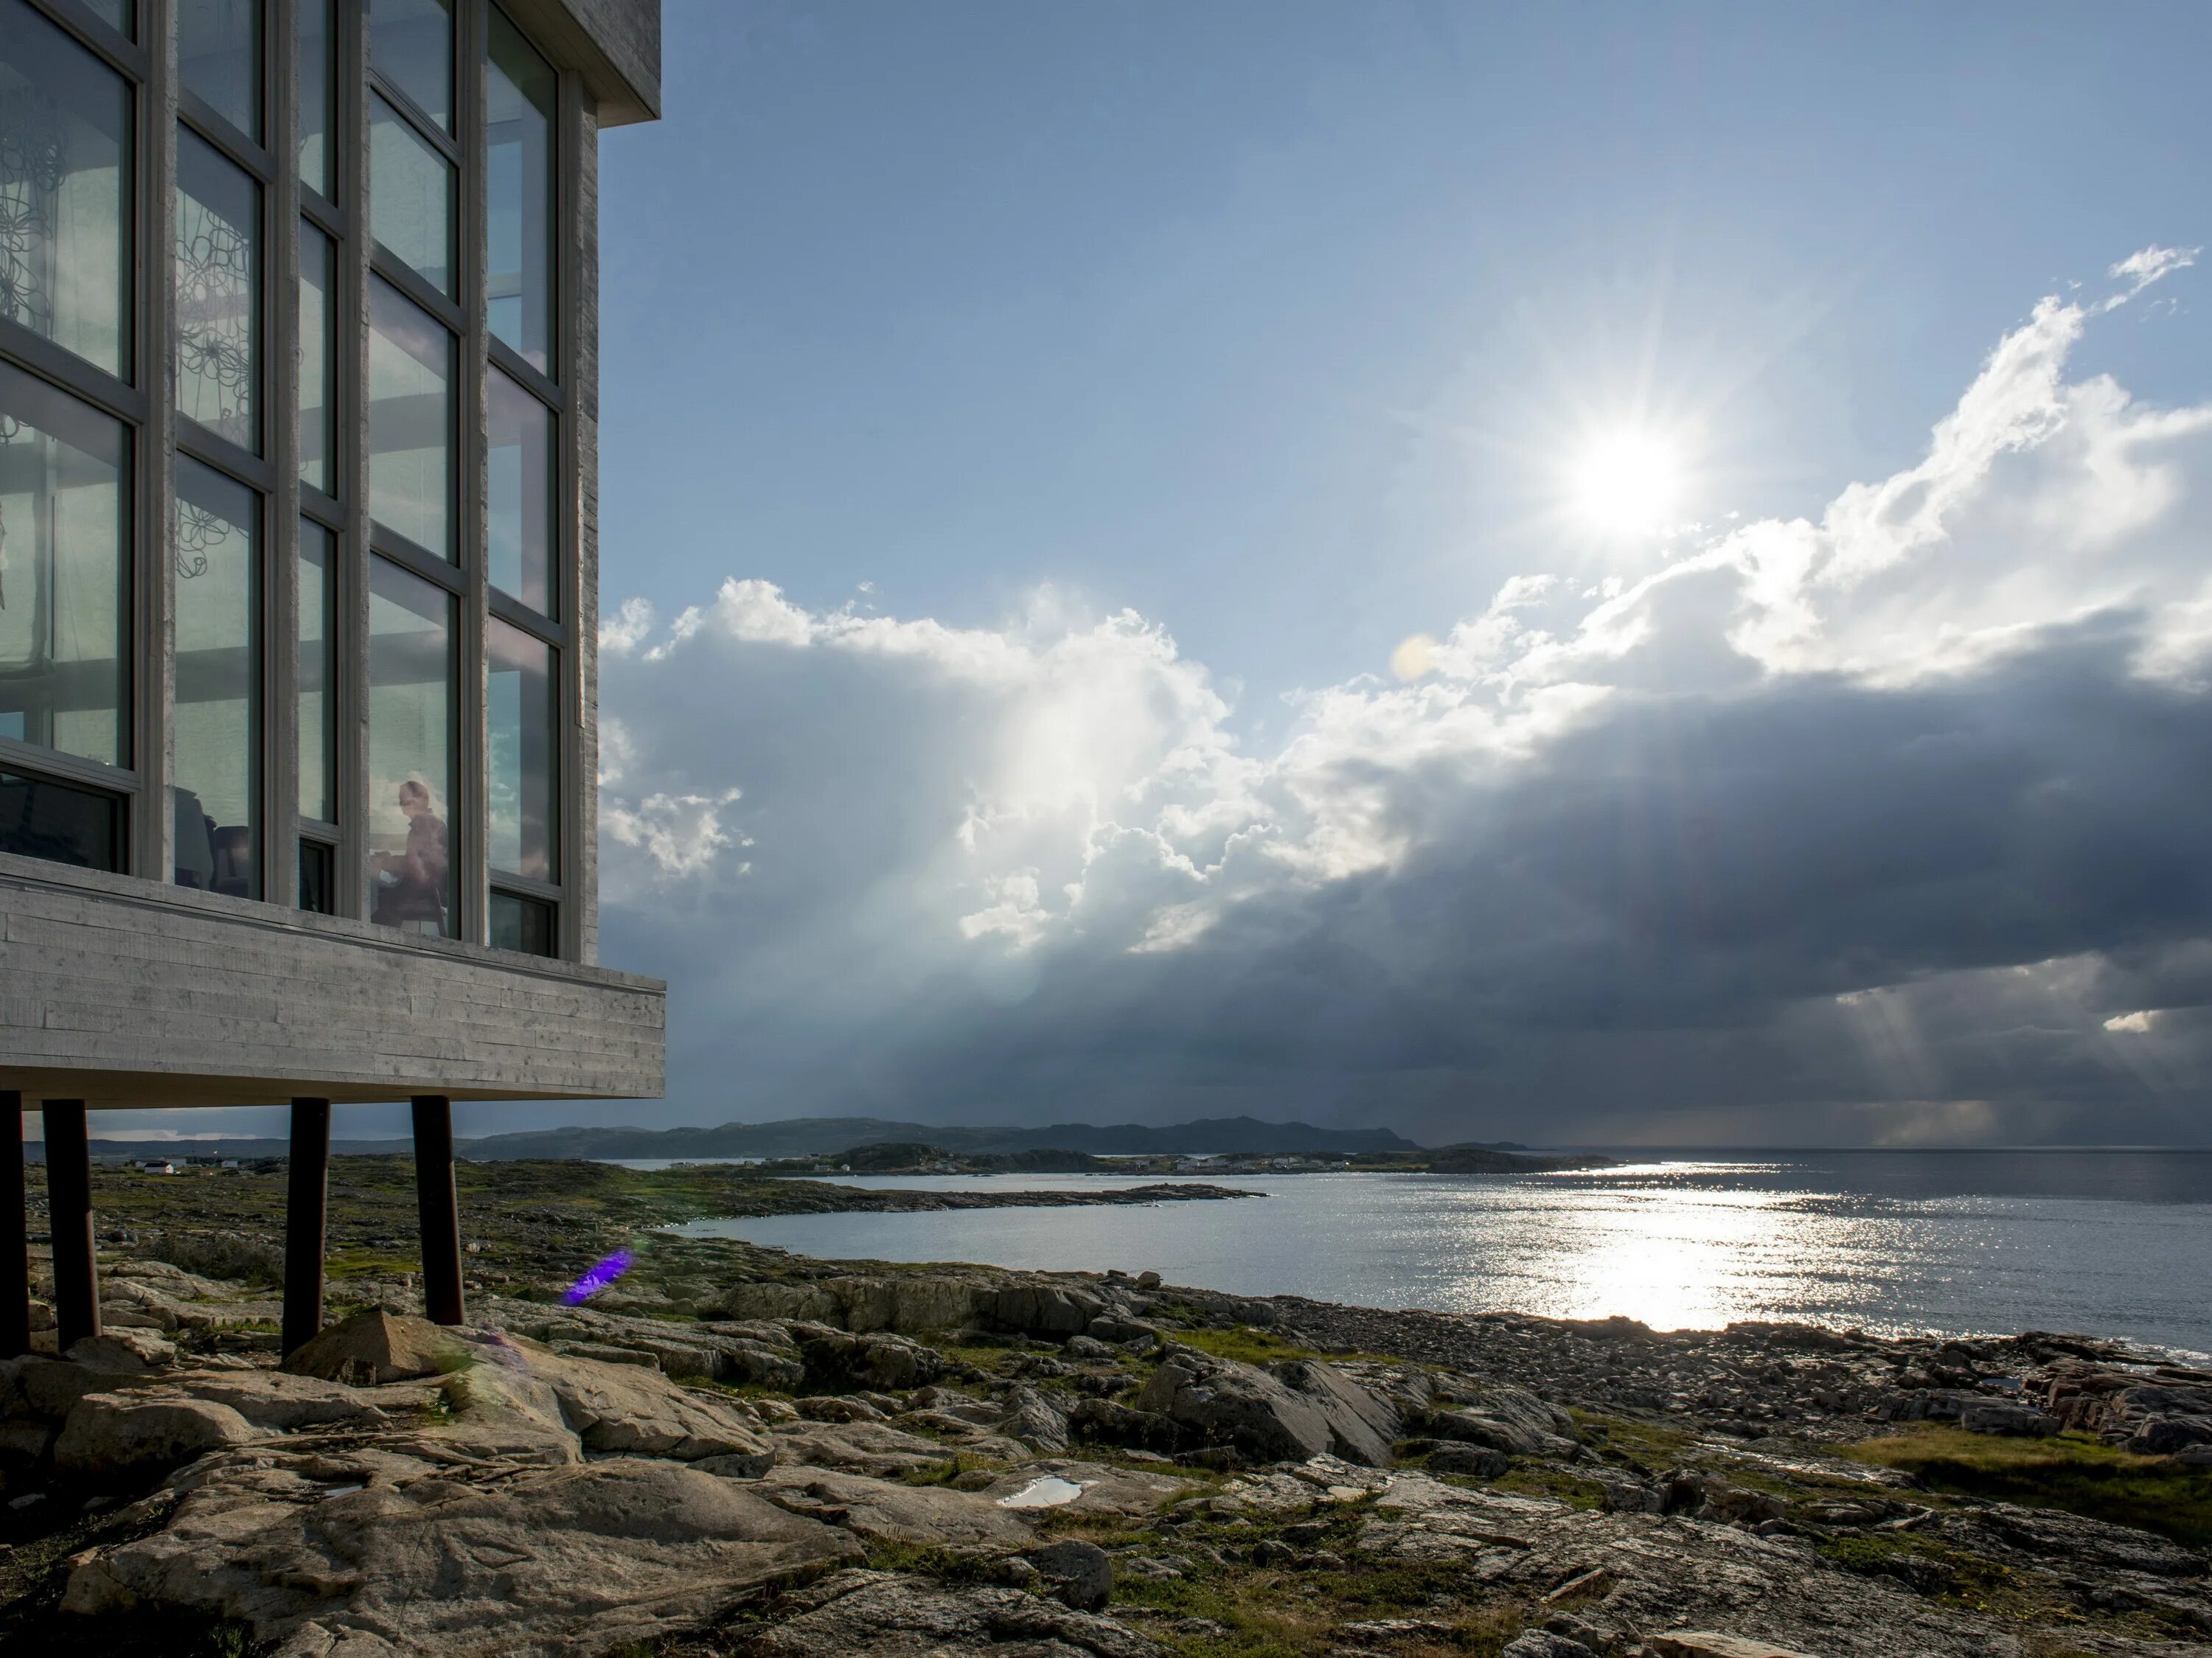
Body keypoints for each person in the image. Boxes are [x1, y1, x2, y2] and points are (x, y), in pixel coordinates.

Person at [370, 779, 448, 931]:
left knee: (375, 894)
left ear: (422, 801)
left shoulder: (425, 824)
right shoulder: (429, 823)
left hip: (423, 892)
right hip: (427, 890)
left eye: (406, 802)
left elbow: (417, 866)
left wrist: (386, 862)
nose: (402, 806)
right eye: (400, 802)